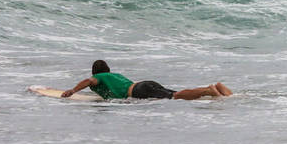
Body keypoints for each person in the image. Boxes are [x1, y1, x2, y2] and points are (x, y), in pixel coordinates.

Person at [60, 60, 234, 100]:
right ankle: (219, 89)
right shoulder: (114, 75)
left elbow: (88, 81)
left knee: (176, 96)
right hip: (143, 84)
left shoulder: (98, 77)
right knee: (173, 94)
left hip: (139, 90)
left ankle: (208, 90)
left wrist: (72, 91)